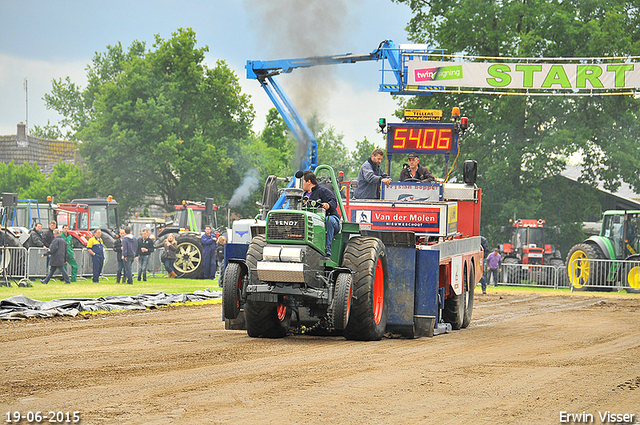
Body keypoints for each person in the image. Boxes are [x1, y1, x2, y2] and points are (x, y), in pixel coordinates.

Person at [302, 170, 341, 257]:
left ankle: (327, 248)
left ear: (309, 182)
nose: (302, 184)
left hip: (330, 220)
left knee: (329, 220)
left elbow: (334, 201)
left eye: (303, 181)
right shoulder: (303, 195)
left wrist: (328, 205)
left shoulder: (322, 191)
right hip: (313, 221)